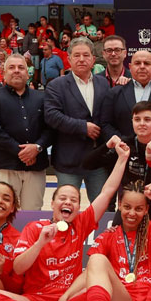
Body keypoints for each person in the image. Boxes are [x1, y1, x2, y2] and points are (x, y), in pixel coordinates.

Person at [0, 145, 131, 301]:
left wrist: (122, 158)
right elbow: (18, 267)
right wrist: (40, 243)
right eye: (63, 198)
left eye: (74, 200)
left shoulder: (81, 223)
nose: (68, 203)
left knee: (98, 294)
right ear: (52, 204)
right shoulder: (35, 228)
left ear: (78, 208)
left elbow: (107, 192)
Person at [0, 54, 52, 211]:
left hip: (36, 167)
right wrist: (22, 152)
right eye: (11, 68)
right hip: (5, 167)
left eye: (21, 68)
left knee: (32, 214)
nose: (16, 71)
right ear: (4, 73)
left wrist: (37, 148)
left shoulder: (42, 98)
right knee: (4, 213)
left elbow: (51, 128)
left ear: (28, 73)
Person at [43, 37, 110, 200]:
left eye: (86, 55)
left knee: (102, 208)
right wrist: (83, 127)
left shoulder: (103, 83)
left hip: (98, 160)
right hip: (68, 160)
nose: (81, 59)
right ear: (69, 59)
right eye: (77, 55)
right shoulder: (56, 85)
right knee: (66, 208)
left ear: (93, 59)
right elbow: (52, 116)